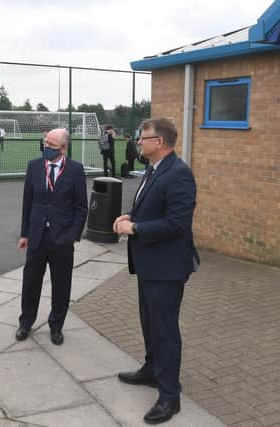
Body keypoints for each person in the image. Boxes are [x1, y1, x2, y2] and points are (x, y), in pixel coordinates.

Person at [113, 117, 199, 425]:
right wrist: (130, 215)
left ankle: (170, 396)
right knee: (149, 324)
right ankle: (152, 370)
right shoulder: (153, 170)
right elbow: (152, 208)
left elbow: (177, 224)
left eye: (143, 137)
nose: (139, 142)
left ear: (158, 142)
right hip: (149, 264)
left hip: (166, 268)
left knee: (164, 330)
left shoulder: (179, 174)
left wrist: (134, 227)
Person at [16, 128, 88, 345]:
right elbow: (27, 202)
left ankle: (56, 326)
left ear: (64, 148)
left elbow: (81, 207)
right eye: (45, 143)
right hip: (37, 236)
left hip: (62, 238)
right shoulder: (34, 166)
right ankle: (26, 323)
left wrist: (73, 235)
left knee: (61, 284)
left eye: (52, 146)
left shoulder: (75, 170)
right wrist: (24, 233)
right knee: (30, 282)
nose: (46, 148)